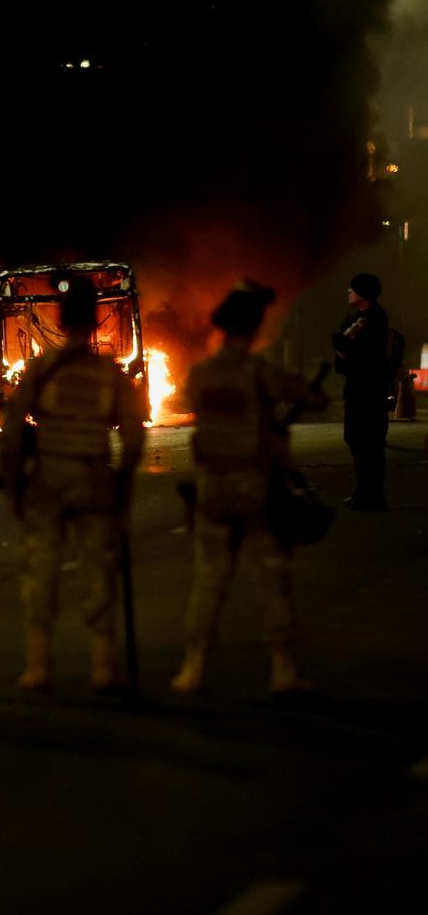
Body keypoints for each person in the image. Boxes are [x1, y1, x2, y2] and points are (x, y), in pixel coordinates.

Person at [171, 280, 328, 696]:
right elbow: (314, 400)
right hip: (256, 489)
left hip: (212, 489)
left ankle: (192, 668)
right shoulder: (258, 371)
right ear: (254, 329)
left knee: (208, 583)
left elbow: (191, 404)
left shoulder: (202, 373)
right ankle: (284, 670)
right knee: (272, 580)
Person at [0, 276, 146, 693]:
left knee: (40, 574)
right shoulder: (109, 374)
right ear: (97, 320)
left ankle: (38, 667)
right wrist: (122, 483)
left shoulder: (44, 369)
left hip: (47, 485)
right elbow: (134, 435)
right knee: (98, 573)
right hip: (95, 483)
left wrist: (13, 487)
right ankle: (103, 667)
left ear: (61, 319)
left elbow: (11, 432)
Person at [332, 273, 389, 511]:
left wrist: (342, 348)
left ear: (363, 293)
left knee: (366, 443)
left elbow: (346, 347)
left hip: (366, 389)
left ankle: (370, 496)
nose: (348, 291)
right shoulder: (362, 317)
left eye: (353, 289)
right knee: (360, 441)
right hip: (360, 386)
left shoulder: (370, 318)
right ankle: (366, 494)